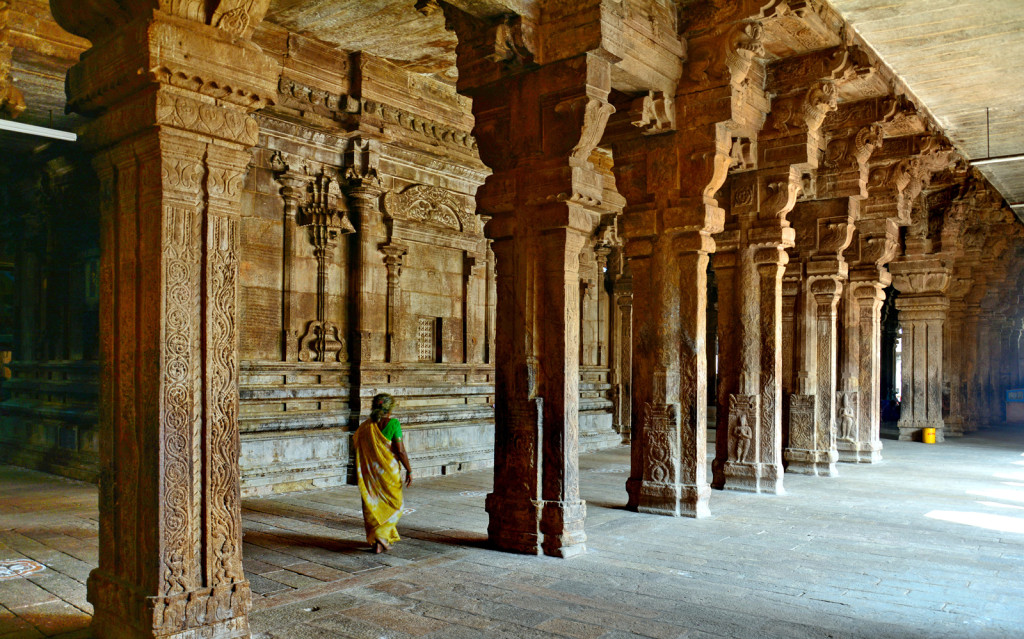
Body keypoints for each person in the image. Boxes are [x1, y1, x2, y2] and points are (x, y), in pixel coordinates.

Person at [353, 393, 413, 553]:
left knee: (374, 504)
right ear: (390, 409)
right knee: (396, 506)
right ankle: (380, 536)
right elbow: (400, 451)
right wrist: (409, 469)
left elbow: (357, 446)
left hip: (371, 474)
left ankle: (379, 543)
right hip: (389, 474)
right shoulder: (393, 424)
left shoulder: (365, 426)